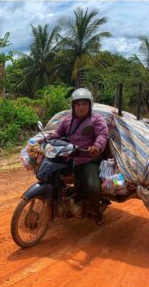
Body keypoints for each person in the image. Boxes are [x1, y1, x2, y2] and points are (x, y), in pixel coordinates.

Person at [45, 88, 109, 225]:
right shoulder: (68, 120)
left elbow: (102, 135)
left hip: (88, 159)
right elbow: (58, 133)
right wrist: (46, 139)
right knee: (50, 175)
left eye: (84, 104)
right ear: (73, 106)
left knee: (92, 187)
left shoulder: (96, 119)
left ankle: (96, 211)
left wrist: (96, 147)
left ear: (90, 105)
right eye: (77, 104)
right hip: (69, 157)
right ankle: (55, 203)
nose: (81, 107)